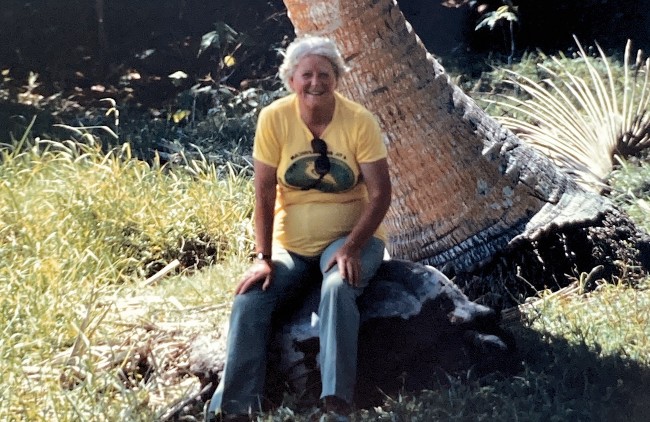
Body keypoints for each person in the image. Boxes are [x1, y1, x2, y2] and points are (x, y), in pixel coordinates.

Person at [206, 35, 392, 422]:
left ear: (337, 78)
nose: (315, 82)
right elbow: (262, 191)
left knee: (338, 287)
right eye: (306, 74)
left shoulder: (359, 121)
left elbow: (380, 194)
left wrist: (352, 247)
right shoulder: (274, 118)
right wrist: (263, 257)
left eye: (324, 73)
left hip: (350, 236)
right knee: (249, 298)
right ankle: (233, 409)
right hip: (291, 244)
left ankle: (336, 402)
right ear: (291, 79)